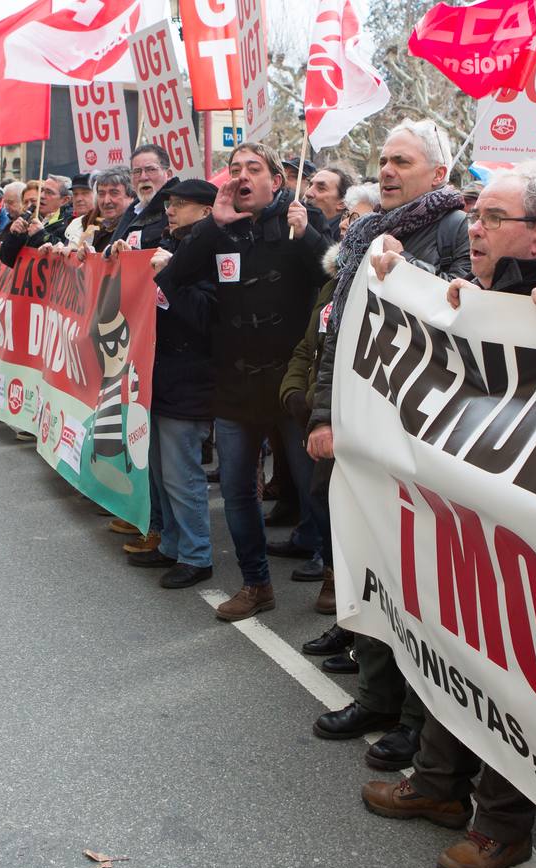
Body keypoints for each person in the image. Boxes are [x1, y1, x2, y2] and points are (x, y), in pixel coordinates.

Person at [362, 165, 536, 868]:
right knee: (458, 648)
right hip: (469, 519)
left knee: (516, 676)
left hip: (531, 533)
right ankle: (436, 781)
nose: (476, 227)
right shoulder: (481, 289)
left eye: (494, 217)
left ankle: (501, 827)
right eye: (474, 215)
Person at [306, 118, 471, 772]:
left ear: (437, 174)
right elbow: (339, 335)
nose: (386, 169)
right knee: (364, 558)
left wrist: (412, 278)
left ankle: (410, 716)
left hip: (419, 436)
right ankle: (374, 694)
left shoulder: (455, 228)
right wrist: (323, 412)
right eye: (382, 159)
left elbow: (472, 313)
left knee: (413, 582)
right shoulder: (367, 232)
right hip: (360, 426)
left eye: (401, 160)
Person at [158, 142, 330, 618]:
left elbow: (337, 280)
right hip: (235, 387)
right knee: (236, 491)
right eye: (235, 169)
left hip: (290, 387)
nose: (242, 176)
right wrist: (212, 226)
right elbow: (169, 282)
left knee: (313, 489)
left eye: (254, 169)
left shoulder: (300, 224)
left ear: (276, 180)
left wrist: (311, 235)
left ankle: (335, 574)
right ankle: (256, 585)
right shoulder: (217, 231)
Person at [284, 182, 381, 636]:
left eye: (358, 218)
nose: (346, 225)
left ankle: (359, 618)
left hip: (360, 424)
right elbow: (310, 348)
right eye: (345, 218)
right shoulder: (334, 284)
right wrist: (295, 394)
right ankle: (339, 595)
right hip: (323, 414)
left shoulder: (387, 286)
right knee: (326, 502)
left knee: (357, 519)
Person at [136, 179, 220, 589]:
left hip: (188, 379)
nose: (171, 209)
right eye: (170, 203)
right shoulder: (177, 246)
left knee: (181, 473)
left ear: (207, 211)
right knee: (158, 470)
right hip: (161, 376)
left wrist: (168, 277)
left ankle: (196, 554)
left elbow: (206, 315)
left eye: (182, 204)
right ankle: (171, 543)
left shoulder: (209, 253)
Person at [112, 144, 178, 250]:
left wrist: (131, 254)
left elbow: (171, 256)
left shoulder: (179, 208)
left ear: (168, 174)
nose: (143, 177)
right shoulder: (133, 210)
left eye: (151, 169)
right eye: (137, 171)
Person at [0, 174, 72, 266]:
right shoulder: (30, 219)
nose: (41, 196)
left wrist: (40, 234)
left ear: (65, 200)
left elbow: (64, 254)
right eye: (42, 191)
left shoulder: (70, 223)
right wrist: (15, 236)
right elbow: (7, 259)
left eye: (49, 192)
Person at [303, 165, 354, 240]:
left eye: (321, 188)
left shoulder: (345, 237)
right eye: (310, 185)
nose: (308, 193)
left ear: (342, 203)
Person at [64, 177, 96, 245]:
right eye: (75, 194)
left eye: (85, 193)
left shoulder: (102, 224)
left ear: (96, 195)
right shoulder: (70, 223)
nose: (79, 199)